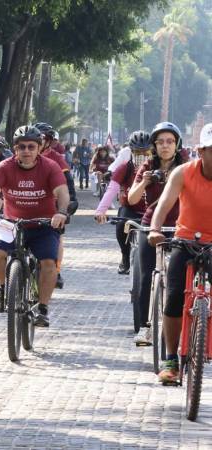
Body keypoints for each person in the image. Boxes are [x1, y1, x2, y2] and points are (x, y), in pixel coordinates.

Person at [0, 125, 70, 325]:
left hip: (43, 225)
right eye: (22, 147)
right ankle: (3, 289)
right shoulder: (5, 167)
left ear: (39, 148)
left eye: (31, 147)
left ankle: (42, 307)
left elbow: (63, 193)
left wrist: (61, 212)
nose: (26, 151)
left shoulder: (50, 167)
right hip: (12, 224)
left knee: (48, 263)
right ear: (15, 149)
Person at [148, 122, 212, 384]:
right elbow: (164, 204)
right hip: (185, 240)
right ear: (200, 151)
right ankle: (171, 359)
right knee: (174, 297)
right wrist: (154, 229)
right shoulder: (183, 173)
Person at [127, 122, 185, 345]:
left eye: (170, 141)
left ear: (177, 145)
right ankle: (144, 327)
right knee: (146, 277)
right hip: (152, 225)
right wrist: (145, 181)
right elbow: (132, 199)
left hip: (180, 226)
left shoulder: (186, 167)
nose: (165, 146)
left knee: (181, 279)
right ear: (154, 146)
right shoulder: (147, 168)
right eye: (160, 142)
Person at [95, 130, 151, 274]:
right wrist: (101, 211)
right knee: (120, 226)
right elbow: (112, 189)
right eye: (138, 152)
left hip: (152, 211)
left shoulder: (156, 169)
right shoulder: (125, 168)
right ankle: (125, 256)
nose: (142, 156)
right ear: (131, 152)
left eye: (146, 152)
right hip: (130, 209)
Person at [34, 122, 78, 289]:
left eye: (41, 138)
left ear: (49, 141)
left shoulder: (57, 159)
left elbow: (68, 183)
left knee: (58, 237)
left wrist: (71, 200)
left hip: (52, 206)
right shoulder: (24, 156)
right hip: (27, 204)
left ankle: (56, 270)